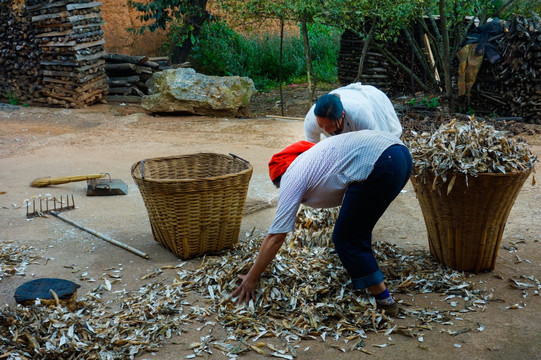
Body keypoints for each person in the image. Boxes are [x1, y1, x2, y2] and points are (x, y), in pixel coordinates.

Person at [231, 130, 412, 317]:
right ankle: (368, 274)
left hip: (381, 162)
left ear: (280, 178)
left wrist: (252, 277)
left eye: (279, 186)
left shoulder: (292, 175)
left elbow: (276, 236)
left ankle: (385, 301)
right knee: (359, 226)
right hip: (401, 155)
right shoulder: (316, 157)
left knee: (346, 239)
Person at [304, 83, 402, 143]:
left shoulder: (360, 116)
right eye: (320, 125)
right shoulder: (311, 120)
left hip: (374, 102)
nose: (324, 129)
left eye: (329, 126)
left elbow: (373, 146)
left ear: (342, 115)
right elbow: (311, 150)